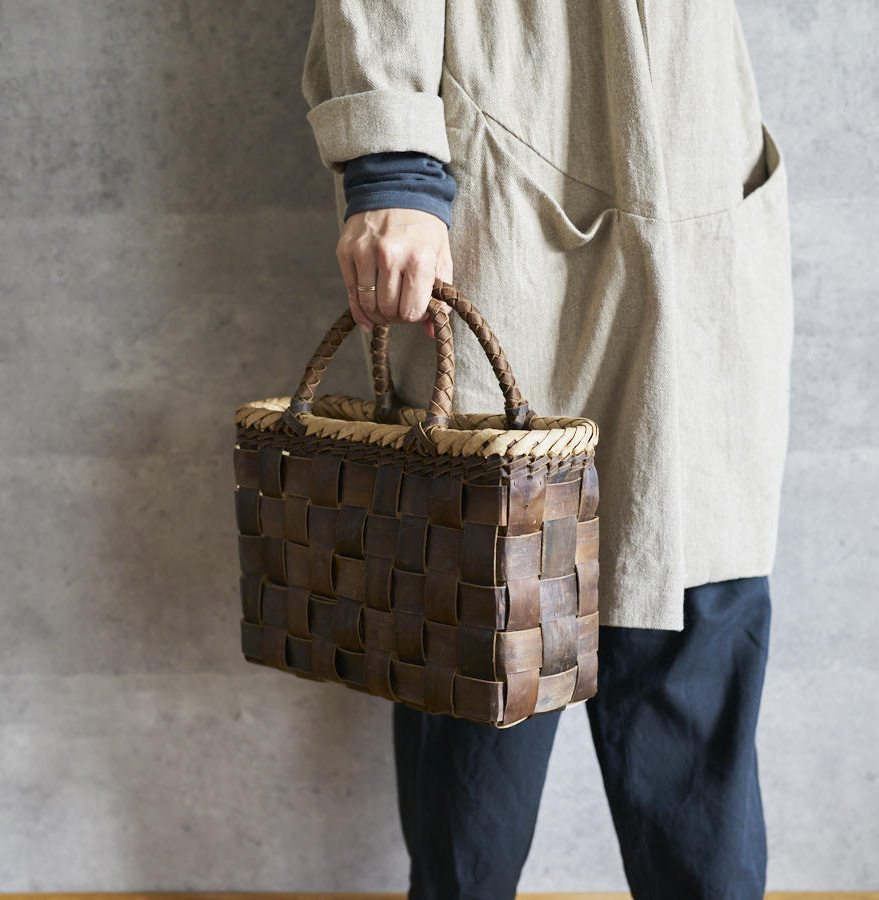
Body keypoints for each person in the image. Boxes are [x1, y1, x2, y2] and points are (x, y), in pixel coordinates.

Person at [300, 2, 794, 898]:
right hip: (514, 132)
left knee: (697, 607)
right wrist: (391, 165)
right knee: (487, 626)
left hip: (699, 151)